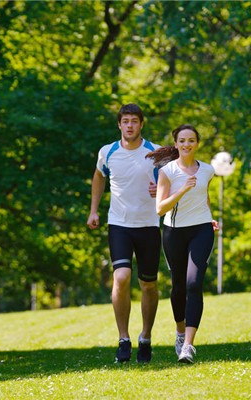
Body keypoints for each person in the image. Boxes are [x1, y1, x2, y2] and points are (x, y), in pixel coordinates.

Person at [87, 103, 161, 363]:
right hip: (119, 223)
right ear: (119, 125)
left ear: (141, 124)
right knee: (121, 277)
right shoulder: (108, 152)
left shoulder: (155, 152)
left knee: (149, 285)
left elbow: (171, 180)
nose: (130, 125)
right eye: (125, 121)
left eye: (134, 121)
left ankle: (146, 337)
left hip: (149, 225)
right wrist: (93, 210)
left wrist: (161, 192)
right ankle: (123, 339)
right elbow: (99, 177)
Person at [146, 124, 219, 364]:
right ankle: (179, 333)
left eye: (191, 140)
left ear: (197, 144)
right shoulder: (167, 171)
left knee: (193, 284)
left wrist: (209, 217)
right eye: (182, 140)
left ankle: (188, 345)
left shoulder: (207, 170)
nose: (187, 144)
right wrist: (182, 190)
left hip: (201, 230)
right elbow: (160, 208)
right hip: (174, 232)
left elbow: (204, 198)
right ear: (176, 144)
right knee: (178, 287)